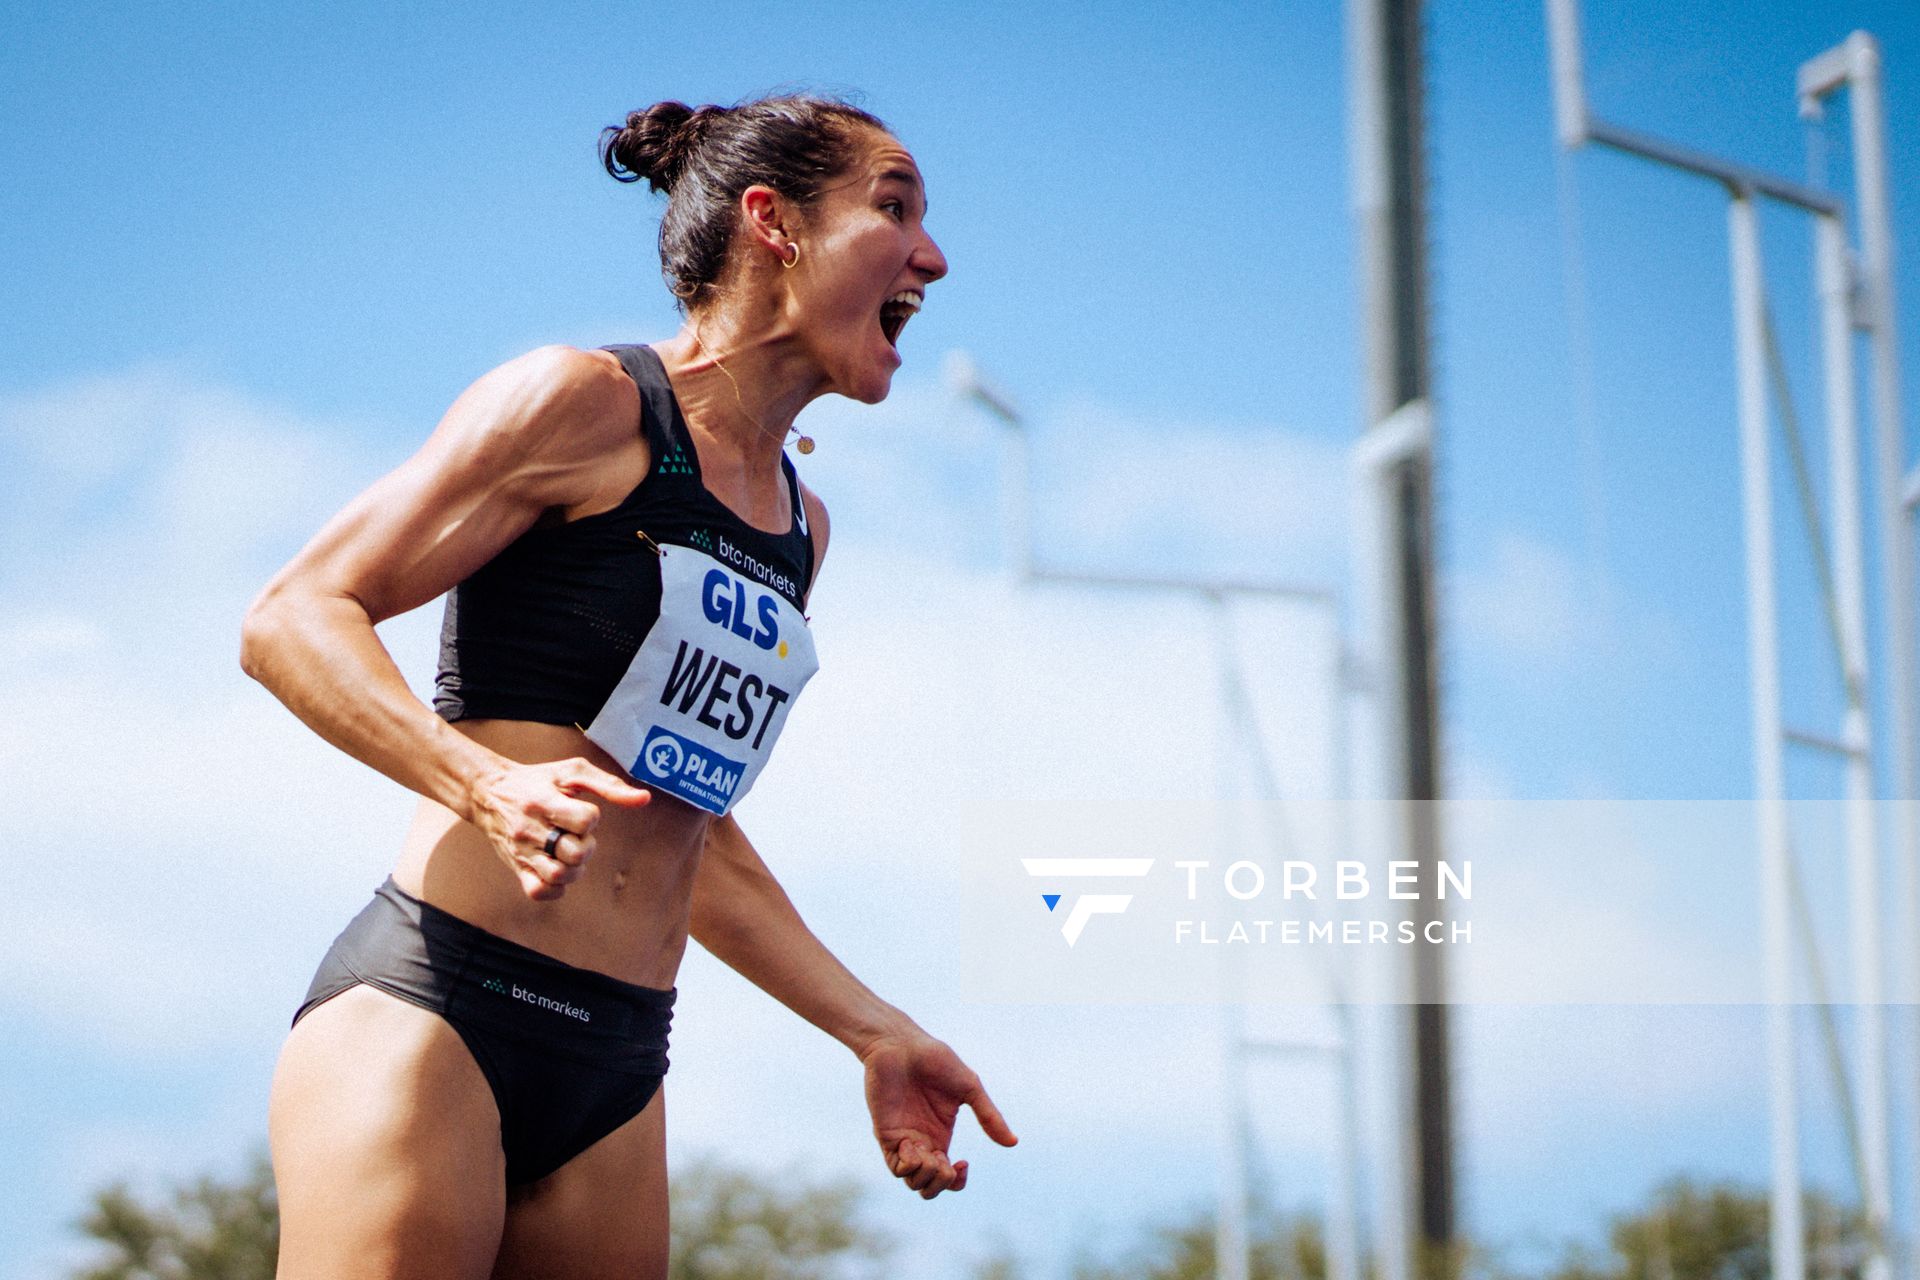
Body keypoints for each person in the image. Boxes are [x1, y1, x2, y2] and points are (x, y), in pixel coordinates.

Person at [241, 93, 1016, 1280]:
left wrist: (875, 1029)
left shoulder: (798, 529)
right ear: (775, 223)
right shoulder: (586, 401)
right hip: (439, 1006)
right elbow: (293, 614)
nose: (933, 255)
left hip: (617, 1067)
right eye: (895, 208)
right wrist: (478, 779)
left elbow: (684, 823)